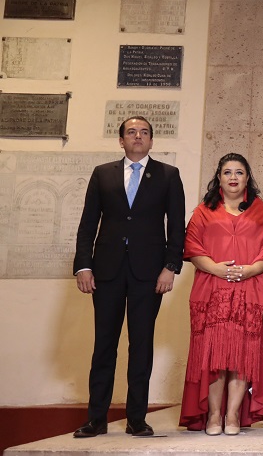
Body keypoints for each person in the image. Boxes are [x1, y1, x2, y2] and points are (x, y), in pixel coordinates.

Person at [72, 116, 185, 438]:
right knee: (104, 345)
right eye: (131, 132)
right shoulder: (103, 174)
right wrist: (83, 266)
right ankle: (96, 419)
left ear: (151, 141)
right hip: (105, 272)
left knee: (141, 346)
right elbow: (87, 224)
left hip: (148, 274)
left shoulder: (167, 175)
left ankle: (137, 418)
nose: (138, 136)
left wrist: (171, 267)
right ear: (121, 140)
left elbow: (176, 228)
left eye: (144, 132)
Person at [178, 153, 263, 436]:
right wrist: (218, 270)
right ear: (218, 178)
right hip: (211, 291)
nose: (233, 177)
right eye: (227, 172)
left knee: (241, 357)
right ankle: (213, 415)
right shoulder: (203, 211)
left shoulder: (260, 212)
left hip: (247, 292)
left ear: (248, 177)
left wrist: (247, 271)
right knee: (212, 358)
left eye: (239, 172)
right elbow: (192, 247)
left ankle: (233, 415)